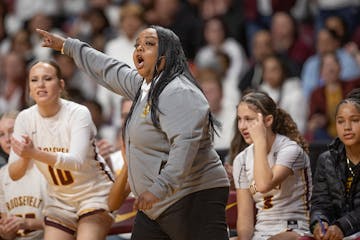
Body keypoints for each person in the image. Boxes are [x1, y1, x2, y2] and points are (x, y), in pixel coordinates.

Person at [36, 25, 230, 240]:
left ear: (165, 56)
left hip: (193, 196)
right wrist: (67, 46)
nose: (139, 49)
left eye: (148, 44)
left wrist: (158, 190)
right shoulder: (146, 86)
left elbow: (184, 148)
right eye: (137, 44)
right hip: (157, 204)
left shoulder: (179, 91)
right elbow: (109, 69)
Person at [7, 60, 114, 240]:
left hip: (94, 193)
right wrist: (25, 158)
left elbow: (76, 162)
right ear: (29, 88)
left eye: (47, 78)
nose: (40, 84)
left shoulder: (79, 113)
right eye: (34, 80)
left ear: (61, 85)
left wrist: (34, 153)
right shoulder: (24, 118)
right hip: (60, 199)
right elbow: (14, 173)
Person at [232, 90, 312, 240]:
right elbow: (245, 218)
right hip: (260, 232)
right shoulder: (241, 160)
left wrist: (260, 142)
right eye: (239, 119)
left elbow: (263, 185)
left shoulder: (290, 150)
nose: (242, 126)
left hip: (294, 229)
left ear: (268, 121)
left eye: (249, 119)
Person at [309, 89, 360, 240]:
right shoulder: (327, 160)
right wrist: (320, 223)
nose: (347, 127)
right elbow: (320, 203)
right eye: (340, 121)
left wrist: (342, 226)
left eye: (355, 120)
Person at [0, 111, 47, 240]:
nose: (8, 139)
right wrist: (6, 232)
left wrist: (28, 223)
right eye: (1, 134)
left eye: (12, 131)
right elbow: (8, 234)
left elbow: (68, 224)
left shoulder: (46, 166)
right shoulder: (2, 175)